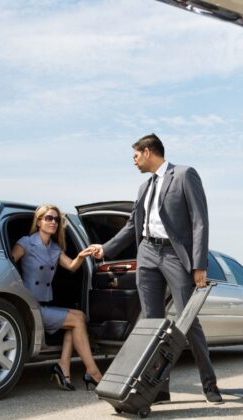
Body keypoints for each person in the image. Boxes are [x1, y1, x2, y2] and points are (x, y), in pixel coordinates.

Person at [91, 133, 222, 405]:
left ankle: (210, 386)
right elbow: (131, 226)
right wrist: (105, 249)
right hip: (147, 254)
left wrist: (199, 265)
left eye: (136, 156)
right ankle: (158, 389)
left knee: (188, 321)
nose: (134, 162)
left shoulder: (185, 175)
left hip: (175, 255)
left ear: (148, 151)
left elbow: (200, 221)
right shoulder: (143, 188)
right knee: (151, 324)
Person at [11, 204, 103, 391]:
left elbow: (71, 266)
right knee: (77, 320)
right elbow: (9, 265)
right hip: (30, 308)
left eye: (56, 219)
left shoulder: (54, 248)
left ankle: (63, 366)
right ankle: (93, 372)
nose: (53, 222)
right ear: (38, 221)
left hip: (44, 305)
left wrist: (81, 255)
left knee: (79, 318)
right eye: (48, 218)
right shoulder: (26, 243)